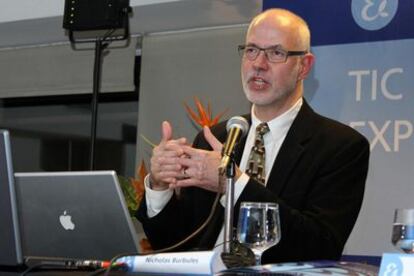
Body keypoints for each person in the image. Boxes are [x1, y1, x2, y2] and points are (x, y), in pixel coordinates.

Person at [136, 8, 370, 263]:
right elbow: (176, 245)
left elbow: (320, 246)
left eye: (276, 53)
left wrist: (234, 185)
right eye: (251, 50)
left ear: (304, 66)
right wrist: (159, 186)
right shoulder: (214, 139)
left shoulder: (340, 146)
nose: (259, 64)